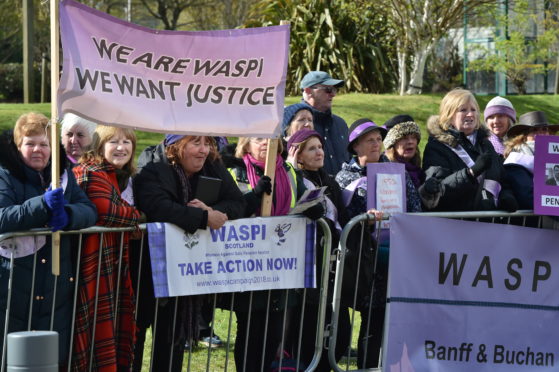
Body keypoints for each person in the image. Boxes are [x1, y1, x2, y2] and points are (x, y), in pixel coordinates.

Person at [132, 134, 245, 372]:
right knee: (135, 336)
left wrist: (212, 211)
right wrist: (205, 218)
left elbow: (237, 202)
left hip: (183, 273)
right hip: (146, 267)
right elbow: (158, 207)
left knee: (172, 339)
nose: (204, 150)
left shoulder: (213, 164)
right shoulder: (152, 165)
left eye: (208, 143)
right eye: (196, 143)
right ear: (176, 145)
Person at [0, 113, 97, 366]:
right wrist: (40, 205)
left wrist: (68, 214)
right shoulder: (5, 175)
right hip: (12, 281)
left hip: (55, 284)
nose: (37, 150)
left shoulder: (63, 175)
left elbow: (89, 210)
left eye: (44, 144)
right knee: (11, 355)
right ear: (18, 146)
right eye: (30, 143)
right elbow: (2, 217)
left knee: (49, 356)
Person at [226, 135, 323, 371]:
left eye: (270, 138)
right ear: (246, 143)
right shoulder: (234, 171)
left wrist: (312, 208)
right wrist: (253, 197)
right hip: (247, 264)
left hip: (282, 263)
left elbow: (300, 200)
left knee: (274, 330)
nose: (265, 143)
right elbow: (229, 210)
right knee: (250, 328)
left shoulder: (290, 171)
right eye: (258, 138)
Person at [71, 125, 143, 371]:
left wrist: (130, 217)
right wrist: (136, 216)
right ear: (99, 146)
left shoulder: (117, 176)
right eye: (113, 142)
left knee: (110, 331)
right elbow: (105, 211)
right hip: (88, 266)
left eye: (127, 142)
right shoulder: (90, 172)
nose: (121, 147)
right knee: (90, 333)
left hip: (111, 266)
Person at [284, 129, 351, 371]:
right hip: (306, 269)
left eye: (320, 146)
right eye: (311, 148)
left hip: (332, 266)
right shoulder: (292, 178)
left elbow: (342, 217)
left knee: (341, 332)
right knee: (307, 333)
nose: (320, 151)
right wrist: (290, 169)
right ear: (297, 154)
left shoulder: (328, 180)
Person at [335, 118, 386, 368]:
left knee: (376, 319)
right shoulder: (344, 177)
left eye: (378, 139)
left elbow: (413, 206)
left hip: (388, 257)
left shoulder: (396, 172)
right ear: (355, 145)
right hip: (357, 259)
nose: (376, 144)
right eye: (370, 140)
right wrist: (364, 220)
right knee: (347, 320)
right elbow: (342, 216)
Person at [422, 88, 518, 212]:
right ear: (449, 115)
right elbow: (436, 193)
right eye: (463, 110)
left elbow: (502, 180)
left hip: (489, 224)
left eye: (473, 110)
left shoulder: (485, 144)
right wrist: (470, 174)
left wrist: (506, 196)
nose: (470, 114)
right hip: (458, 226)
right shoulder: (437, 147)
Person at [504, 111, 559, 207]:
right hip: (530, 219)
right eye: (534, 130)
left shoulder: (554, 160)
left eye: (544, 129)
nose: (540, 134)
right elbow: (527, 197)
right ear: (523, 137)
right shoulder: (515, 162)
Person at [300, 71, 349, 175]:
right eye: (328, 90)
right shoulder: (294, 124)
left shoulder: (340, 124)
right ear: (308, 91)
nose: (333, 94)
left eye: (334, 89)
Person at [382, 114, 424, 212]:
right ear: (392, 143)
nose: (410, 142)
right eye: (404, 138)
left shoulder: (419, 171)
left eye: (414, 137)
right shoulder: (384, 170)